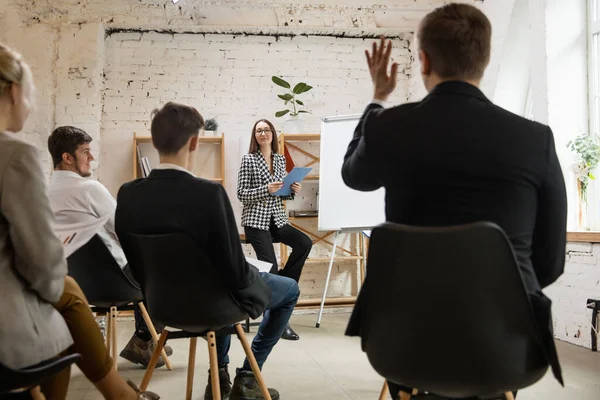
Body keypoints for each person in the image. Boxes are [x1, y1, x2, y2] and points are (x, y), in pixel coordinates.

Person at [342, 4, 566, 400]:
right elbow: (548, 263)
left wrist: (378, 98)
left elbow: (353, 176)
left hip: (405, 343)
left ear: (424, 60)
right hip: (505, 349)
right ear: (485, 58)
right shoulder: (535, 139)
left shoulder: (389, 127)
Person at [0, 43, 159, 399]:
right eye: (30, 93)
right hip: (100, 285)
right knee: (69, 299)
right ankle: (125, 385)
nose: (31, 103)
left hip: (84, 280)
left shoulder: (47, 182)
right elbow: (123, 231)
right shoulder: (16, 157)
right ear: (13, 91)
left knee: (68, 293)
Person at [115, 102, 300, 400]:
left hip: (162, 308)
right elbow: (234, 270)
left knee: (222, 283)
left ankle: (220, 375)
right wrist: (253, 276)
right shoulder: (208, 194)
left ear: (155, 139)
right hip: (214, 307)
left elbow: (134, 265)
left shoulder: (128, 193)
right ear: (194, 142)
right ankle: (247, 378)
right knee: (287, 289)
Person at [46, 125, 173, 369]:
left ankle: (144, 340)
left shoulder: (44, 192)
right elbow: (124, 229)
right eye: (85, 152)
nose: (91, 157)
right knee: (164, 269)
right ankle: (144, 339)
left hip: (76, 284)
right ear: (67, 157)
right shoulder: (89, 188)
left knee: (144, 269)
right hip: (115, 282)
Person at [237, 119, 313, 341]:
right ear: (255, 135)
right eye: (259, 130)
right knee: (270, 266)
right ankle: (280, 322)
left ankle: (286, 286)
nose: (263, 133)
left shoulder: (279, 159)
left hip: (277, 219)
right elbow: (241, 193)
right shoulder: (249, 160)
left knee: (304, 243)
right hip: (255, 221)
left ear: (272, 133)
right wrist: (266, 189)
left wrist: (292, 189)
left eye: (266, 129)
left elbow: (282, 192)